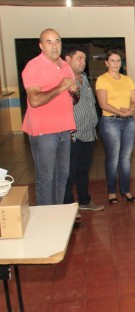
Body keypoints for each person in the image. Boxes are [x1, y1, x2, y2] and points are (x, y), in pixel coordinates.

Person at [22, 28, 78, 206]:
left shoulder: (65, 65)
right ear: (41, 46)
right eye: (49, 42)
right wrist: (61, 87)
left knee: (62, 175)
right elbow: (35, 100)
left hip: (64, 128)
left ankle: (57, 214)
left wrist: (75, 91)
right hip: (43, 131)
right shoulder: (33, 66)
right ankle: (45, 219)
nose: (54, 46)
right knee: (46, 178)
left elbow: (73, 99)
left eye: (57, 41)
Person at [96, 49, 135, 203]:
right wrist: (122, 113)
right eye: (112, 60)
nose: (116, 63)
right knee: (113, 158)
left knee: (125, 158)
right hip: (110, 122)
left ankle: (126, 190)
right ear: (106, 63)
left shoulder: (127, 79)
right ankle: (112, 192)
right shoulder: (102, 79)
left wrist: (131, 110)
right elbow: (103, 104)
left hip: (128, 121)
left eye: (118, 60)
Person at [63, 46, 103, 211]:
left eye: (84, 59)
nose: (83, 62)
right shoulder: (64, 80)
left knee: (84, 169)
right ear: (67, 59)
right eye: (79, 58)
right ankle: (69, 206)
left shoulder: (84, 79)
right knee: (69, 172)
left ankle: (84, 201)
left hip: (88, 133)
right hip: (72, 134)